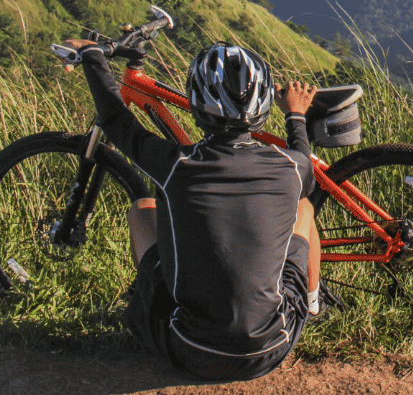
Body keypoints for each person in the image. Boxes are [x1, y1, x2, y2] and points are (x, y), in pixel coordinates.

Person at [62, 38, 325, 380]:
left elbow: (115, 118)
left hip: (190, 350)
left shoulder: (174, 165)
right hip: (271, 348)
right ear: (262, 107)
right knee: (303, 207)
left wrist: (92, 55)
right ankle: (314, 303)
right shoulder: (292, 167)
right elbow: (303, 158)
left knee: (142, 209)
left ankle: (149, 306)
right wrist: (295, 114)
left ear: (197, 106)